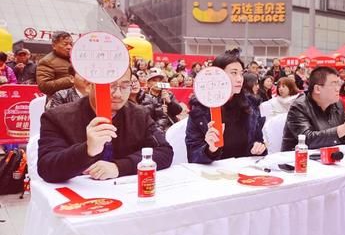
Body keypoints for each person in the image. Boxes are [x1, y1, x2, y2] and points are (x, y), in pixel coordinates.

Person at [37, 68, 174, 183]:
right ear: (88, 85)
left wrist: (119, 167)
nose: (118, 94)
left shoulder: (139, 114)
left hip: (125, 193)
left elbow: (164, 152)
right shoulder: (57, 117)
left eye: (125, 86)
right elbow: (47, 168)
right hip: (78, 197)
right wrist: (87, 150)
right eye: (110, 86)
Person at [186, 50, 266, 163]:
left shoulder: (250, 106)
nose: (240, 79)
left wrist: (258, 148)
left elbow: (258, 140)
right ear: (217, 75)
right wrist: (210, 150)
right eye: (234, 73)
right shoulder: (200, 111)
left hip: (245, 171)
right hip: (213, 175)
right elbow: (193, 156)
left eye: (241, 73)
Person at [282, 66, 345, 151]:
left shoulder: (337, 103)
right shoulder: (299, 107)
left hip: (328, 157)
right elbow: (308, 140)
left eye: (338, 83)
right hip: (297, 159)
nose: (338, 89)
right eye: (333, 84)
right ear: (317, 89)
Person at [36, 32, 74, 97]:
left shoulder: (76, 59)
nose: (69, 47)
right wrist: (71, 80)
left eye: (71, 44)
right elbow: (44, 86)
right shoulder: (47, 61)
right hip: (59, 102)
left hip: (79, 101)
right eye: (65, 44)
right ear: (54, 46)